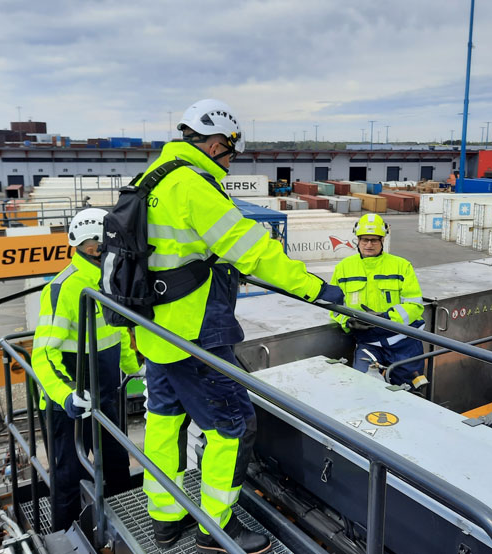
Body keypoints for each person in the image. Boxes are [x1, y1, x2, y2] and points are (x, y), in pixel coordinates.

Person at [134, 98, 343, 554]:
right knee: (233, 424)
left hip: (154, 329)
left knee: (164, 423)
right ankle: (216, 529)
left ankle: (165, 522)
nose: (230, 163)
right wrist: (312, 287)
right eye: (229, 153)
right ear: (213, 144)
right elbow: (251, 248)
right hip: (194, 331)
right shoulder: (193, 185)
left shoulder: (150, 179)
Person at [31, 208, 142, 531]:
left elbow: (118, 333)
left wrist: (136, 371)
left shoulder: (106, 280)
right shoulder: (64, 289)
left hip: (105, 394)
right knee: (69, 478)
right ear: (94, 247)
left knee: (117, 465)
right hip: (67, 405)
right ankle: (68, 538)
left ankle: (124, 530)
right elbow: (43, 355)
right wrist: (67, 396)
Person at [330, 213, 427, 388]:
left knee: (409, 392)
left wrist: (386, 318)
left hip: (403, 341)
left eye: (374, 240)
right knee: (365, 387)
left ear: (383, 240)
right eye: (364, 239)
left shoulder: (401, 266)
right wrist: (348, 321)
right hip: (369, 343)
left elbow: (414, 305)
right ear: (357, 240)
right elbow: (334, 307)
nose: (369, 244)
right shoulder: (343, 269)